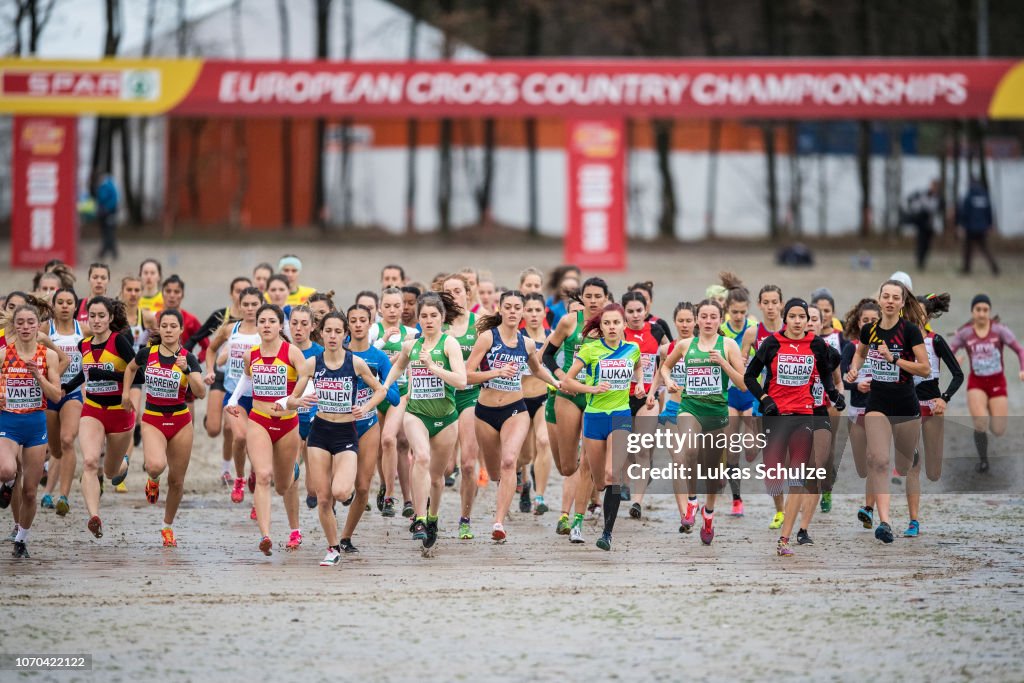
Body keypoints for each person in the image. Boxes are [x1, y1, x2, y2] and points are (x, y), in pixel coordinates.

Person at [281, 311, 388, 566]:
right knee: (323, 497)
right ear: (322, 333)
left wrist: (366, 408)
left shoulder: (355, 363)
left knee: (341, 491)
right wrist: (298, 401)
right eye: (328, 331)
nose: (332, 336)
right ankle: (332, 548)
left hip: (345, 433)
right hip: (320, 432)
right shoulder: (311, 364)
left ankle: (345, 502)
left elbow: (380, 390)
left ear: (344, 334)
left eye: (337, 331)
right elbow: (291, 400)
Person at [745, 298, 844, 556]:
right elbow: (749, 376)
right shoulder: (772, 343)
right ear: (785, 318)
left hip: (804, 415)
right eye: (793, 317)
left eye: (803, 317)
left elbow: (826, 370)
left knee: (798, 478)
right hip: (775, 415)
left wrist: (833, 395)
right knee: (773, 480)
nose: (799, 321)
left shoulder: (816, 344)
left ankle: (785, 539)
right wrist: (765, 399)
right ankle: (779, 502)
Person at [465, 290, 560, 542]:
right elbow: (466, 375)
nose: (512, 311)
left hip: (515, 410)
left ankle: (499, 522)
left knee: (509, 462)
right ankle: (504, 489)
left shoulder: (526, 343)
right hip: (485, 412)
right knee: (496, 473)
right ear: (500, 309)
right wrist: (494, 373)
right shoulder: (487, 338)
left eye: (517, 307)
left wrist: (557, 383)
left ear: (521, 312)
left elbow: (538, 370)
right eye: (508, 307)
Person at [380, 291, 468, 550]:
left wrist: (433, 368)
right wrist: (385, 385)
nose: (428, 320)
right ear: (418, 319)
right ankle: (418, 518)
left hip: (446, 418)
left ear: (442, 318)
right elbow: (397, 367)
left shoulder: (449, 344)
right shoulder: (411, 345)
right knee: (421, 457)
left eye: (433, 316)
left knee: (438, 477)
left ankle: (432, 517)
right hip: (416, 414)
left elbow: (461, 381)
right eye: (424, 316)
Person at [845, 280, 930, 544]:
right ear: (880, 300)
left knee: (904, 467)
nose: (890, 301)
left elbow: (925, 369)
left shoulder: (910, 331)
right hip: (878, 403)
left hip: (906, 405)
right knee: (879, 461)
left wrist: (895, 359)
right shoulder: (870, 330)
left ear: (903, 303)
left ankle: (910, 454)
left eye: (896, 297)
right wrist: (854, 368)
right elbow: (859, 354)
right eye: (886, 296)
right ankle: (885, 522)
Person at [658, 299, 748, 545]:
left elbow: (742, 383)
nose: (708, 321)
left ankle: (708, 514)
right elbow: (665, 367)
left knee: (712, 473)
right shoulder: (686, 345)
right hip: (690, 407)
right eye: (704, 316)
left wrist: (723, 363)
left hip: (717, 411)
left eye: (713, 317)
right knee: (688, 449)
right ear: (697, 319)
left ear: (721, 320)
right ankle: (691, 502)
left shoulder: (728, 345)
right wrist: (668, 381)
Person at [225, 303, 310, 556]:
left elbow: (307, 380)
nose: (266, 325)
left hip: (287, 424)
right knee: (262, 475)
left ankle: (295, 529)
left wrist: (289, 399)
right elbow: (247, 377)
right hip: (259, 420)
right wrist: (233, 400)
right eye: (262, 321)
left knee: (284, 486)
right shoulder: (250, 355)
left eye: (272, 321)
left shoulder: (292, 352)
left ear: (280, 325)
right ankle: (266, 535)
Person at [121, 309, 207, 547]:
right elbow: (129, 369)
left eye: (173, 326)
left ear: (181, 330)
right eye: (165, 326)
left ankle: (167, 526)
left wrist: (187, 371)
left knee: (177, 481)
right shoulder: (146, 354)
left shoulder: (188, 358)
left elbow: (200, 393)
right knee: (155, 465)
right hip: (153, 418)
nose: (169, 330)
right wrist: (126, 392)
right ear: (160, 329)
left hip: (180, 420)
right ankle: (153, 478)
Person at [560, 303, 642, 551]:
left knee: (611, 474)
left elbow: (638, 367)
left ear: (624, 325)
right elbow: (567, 381)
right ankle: (577, 520)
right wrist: (591, 389)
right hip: (594, 417)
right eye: (607, 323)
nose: (612, 327)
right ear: (601, 327)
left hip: (620, 416)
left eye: (616, 322)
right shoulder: (590, 349)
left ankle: (607, 533)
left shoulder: (632, 349)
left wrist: (639, 383)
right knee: (596, 480)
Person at [61, 297, 137, 539]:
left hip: (120, 413)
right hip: (92, 409)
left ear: (110, 318)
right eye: (91, 316)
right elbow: (85, 376)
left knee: (111, 472)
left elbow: (140, 373)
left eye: (101, 316)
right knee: (91, 462)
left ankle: (123, 463)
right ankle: (94, 516)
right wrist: (64, 387)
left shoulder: (120, 342)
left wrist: (110, 375)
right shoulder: (83, 345)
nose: (96, 320)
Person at [1, 304, 63, 557]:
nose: (25, 327)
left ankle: (21, 539)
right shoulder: (4, 354)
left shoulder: (47, 356)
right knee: (6, 469)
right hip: (8, 423)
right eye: (21, 322)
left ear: (38, 326)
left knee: (29, 492)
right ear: (14, 326)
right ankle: (9, 481)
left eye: (30, 322)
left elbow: (56, 394)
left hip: (36, 424)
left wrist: (39, 377)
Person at [904, 293, 963, 537]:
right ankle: (913, 521)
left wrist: (944, 398)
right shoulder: (901, 340)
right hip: (909, 407)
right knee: (912, 466)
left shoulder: (935, 341)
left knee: (933, 472)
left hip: (932, 405)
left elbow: (958, 374)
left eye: (920, 313)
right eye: (911, 312)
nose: (915, 317)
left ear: (927, 316)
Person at [949, 294, 1024, 473]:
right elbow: (948, 351)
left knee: (998, 430)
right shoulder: (966, 333)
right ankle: (983, 461)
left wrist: (1022, 368)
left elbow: (1019, 349)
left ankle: (991, 408)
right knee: (980, 423)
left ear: (989, 312)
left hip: (998, 383)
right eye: (978, 310)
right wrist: (954, 361)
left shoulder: (999, 330)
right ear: (972, 311)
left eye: (985, 310)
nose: (982, 313)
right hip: (977, 384)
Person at [958, 178, 998, 276]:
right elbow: (989, 211)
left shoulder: (969, 195)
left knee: (968, 249)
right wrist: (990, 224)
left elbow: (964, 212)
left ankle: (966, 269)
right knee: (985, 249)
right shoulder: (984, 195)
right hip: (982, 227)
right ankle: (994, 267)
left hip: (971, 227)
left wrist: (962, 225)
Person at [903, 180, 942, 271]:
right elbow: (915, 206)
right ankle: (919, 261)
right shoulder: (923, 195)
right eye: (933, 186)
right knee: (920, 243)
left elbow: (938, 211)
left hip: (930, 226)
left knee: (927, 245)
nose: (934, 188)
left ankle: (922, 261)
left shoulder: (938, 197)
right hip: (921, 225)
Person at [94, 173, 120, 261]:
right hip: (104, 213)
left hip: (109, 213)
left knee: (108, 232)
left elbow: (113, 199)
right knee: (107, 232)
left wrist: (107, 209)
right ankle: (110, 252)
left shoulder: (108, 186)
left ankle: (106, 252)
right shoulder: (105, 186)